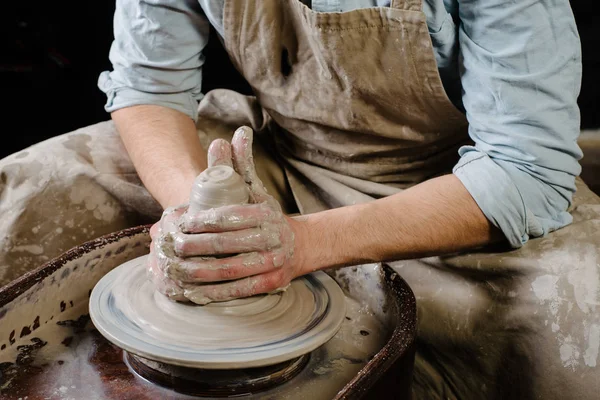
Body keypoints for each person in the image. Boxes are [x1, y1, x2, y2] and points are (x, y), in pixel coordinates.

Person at [0, 0, 599, 398]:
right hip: (274, 158)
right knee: (35, 184)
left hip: (452, 191)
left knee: (585, 333)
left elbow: (528, 167)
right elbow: (148, 85)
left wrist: (302, 244)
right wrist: (206, 220)